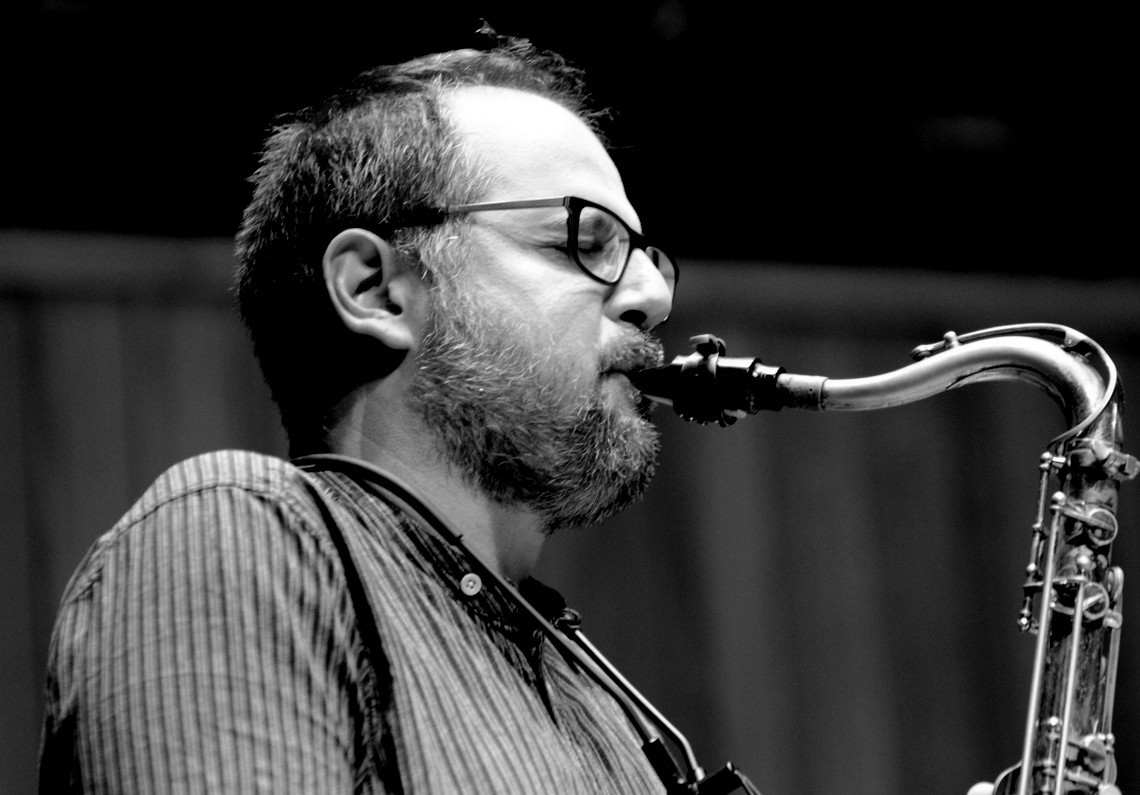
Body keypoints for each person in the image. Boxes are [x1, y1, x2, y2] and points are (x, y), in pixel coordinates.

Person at [37, 33, 689, 794]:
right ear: (376, 290)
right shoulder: (240, 541)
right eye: (583, 238)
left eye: (645, 254)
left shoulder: (604, 705)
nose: (653, 296)